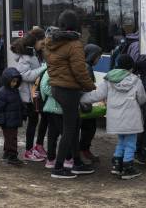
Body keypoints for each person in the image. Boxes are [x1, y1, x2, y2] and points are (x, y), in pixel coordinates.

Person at [45, 10, 96, 179]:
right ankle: (59, 167)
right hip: (69, 91)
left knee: (74, 126)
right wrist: (90, 87)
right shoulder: (74, 44)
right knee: (69, 129)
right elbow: (80, 71)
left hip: (57, 89)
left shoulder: (51, 42)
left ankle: (77, 162)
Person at [81, 54, 146, 180]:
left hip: (115, 118)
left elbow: (97, 95)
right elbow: (142, 99)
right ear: (131, 68)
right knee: (131, 143)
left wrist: (81, 97)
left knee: (121, 140)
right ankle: (128, 167)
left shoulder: (108, 79)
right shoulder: (136, 80)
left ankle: (117, 165)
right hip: (131, 117)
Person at [10, 28, 47, 161]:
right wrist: (43, 68)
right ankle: (28, 150)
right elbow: (24, 75)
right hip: (28, 96)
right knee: (32, 123)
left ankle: (35, 148)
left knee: (37, 121)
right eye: (42, 43)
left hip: (33, 94)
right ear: (35, 41)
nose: (43, 46)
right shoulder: (27, 55)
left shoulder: (33, 53)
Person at [40, 70, 73, 169]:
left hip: (51, 106)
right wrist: (60, 94)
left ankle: (51, 159)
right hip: (57, 107)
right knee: (65, 133)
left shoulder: (50, 69)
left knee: (52, 134)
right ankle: (67, 158)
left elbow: (44, 87)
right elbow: (45, 87)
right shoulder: (53, 70)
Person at [0, 67, 25, 166]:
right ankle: (12, 155)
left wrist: (23, 113)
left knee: (9, 138)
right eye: (13, 81)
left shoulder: (14, 91)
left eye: (16, 81)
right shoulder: (3, 92)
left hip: (13, 119)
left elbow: (19, 104)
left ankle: (7, 153)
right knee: (11, 138)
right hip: (7, 121)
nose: (14, 84)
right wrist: (0, 120)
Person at [79, 44, 102, 165]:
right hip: (84, 103)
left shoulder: (85, 65)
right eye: (98, 57)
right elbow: (88, 86)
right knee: (89, 128)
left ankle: (84, 150)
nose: (99, 60)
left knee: (88, 127)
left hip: (84, 101)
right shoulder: (86, 67)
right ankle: (83, 151)